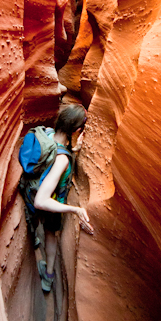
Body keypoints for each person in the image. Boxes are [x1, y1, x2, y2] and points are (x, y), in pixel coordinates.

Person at [33, 103, 94, 292]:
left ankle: (35, 237)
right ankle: (48, 277)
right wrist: (75, 209)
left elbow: (57, 150)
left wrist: (75, 149)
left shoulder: (48, 134)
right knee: (51, 235)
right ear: (77, 130)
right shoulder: (62, 160)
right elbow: (41, 201)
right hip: (51, 203)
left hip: (33, 188)